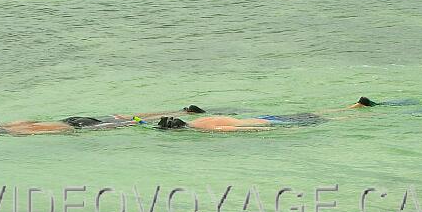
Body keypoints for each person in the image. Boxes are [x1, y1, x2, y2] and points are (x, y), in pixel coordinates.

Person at [157, 97, 379, 132]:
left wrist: (282, 131)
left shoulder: (204, 127)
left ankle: (354, 112)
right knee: (316, 114)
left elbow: (246, 130)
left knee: (323, 118)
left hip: (272, 122)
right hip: (271, 117)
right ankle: (354, 109)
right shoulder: (200, 121)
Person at [0, 105, 206, 135]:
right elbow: (34, 118)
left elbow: (52, 132)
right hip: (70, 118)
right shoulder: (13, 125)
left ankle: (166, 123)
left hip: (76, 125)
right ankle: (184, 111)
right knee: (121, 116)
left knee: (124, 122)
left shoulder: (13, 134)